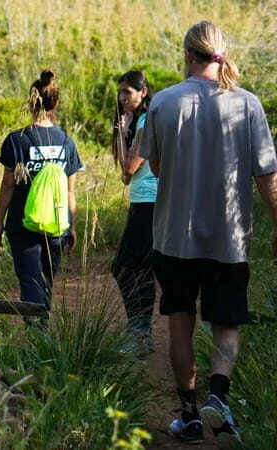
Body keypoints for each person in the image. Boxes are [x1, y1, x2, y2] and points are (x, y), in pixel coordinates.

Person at [140, 21, 277, 447]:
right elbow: (267, 176)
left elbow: (156, 168)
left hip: (175, 237)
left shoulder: (162, 103)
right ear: (221, 54)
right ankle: (219, 396)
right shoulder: (248, 104)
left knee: (180, 321)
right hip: (229, 238)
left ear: (187, 55)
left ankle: (189, 414)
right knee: (227, 322)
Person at [0, 69, 83, 314]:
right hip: (56, 226)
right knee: (46, 283)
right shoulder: (67, 142)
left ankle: (37, 333)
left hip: (22, 225)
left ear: (32, 102)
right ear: (56, 103)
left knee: (30, 282)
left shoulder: (16, 140)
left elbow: (8, 185)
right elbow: (70, 190)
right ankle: (42, 333)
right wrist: (70, 226)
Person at [110, 70, 158, 355]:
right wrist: (120, 131)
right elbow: (124, 172)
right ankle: (142, 335)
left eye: (128, 92)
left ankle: (138, 332)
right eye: (121, 92)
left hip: (149, 202)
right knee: (142, 268)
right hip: (144, 199)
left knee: (123, 267)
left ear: (143, 92)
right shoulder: (138, 121)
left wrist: (125, 131)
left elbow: (128, 169)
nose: (122, 98)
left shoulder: (146, 119)